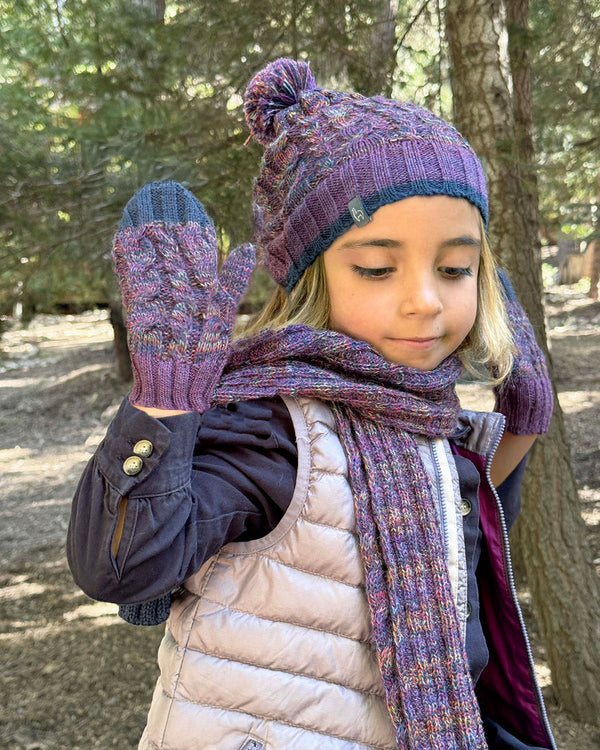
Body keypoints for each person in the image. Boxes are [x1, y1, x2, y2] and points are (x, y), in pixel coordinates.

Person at [67, 58, 556, 750]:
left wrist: (524, 427)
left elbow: (465, 551)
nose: (424, 299)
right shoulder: (273, 428)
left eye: (454, 267)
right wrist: (164, 404)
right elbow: (120, 565)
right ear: (311, 278)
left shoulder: (430, 426)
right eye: (378, 268)